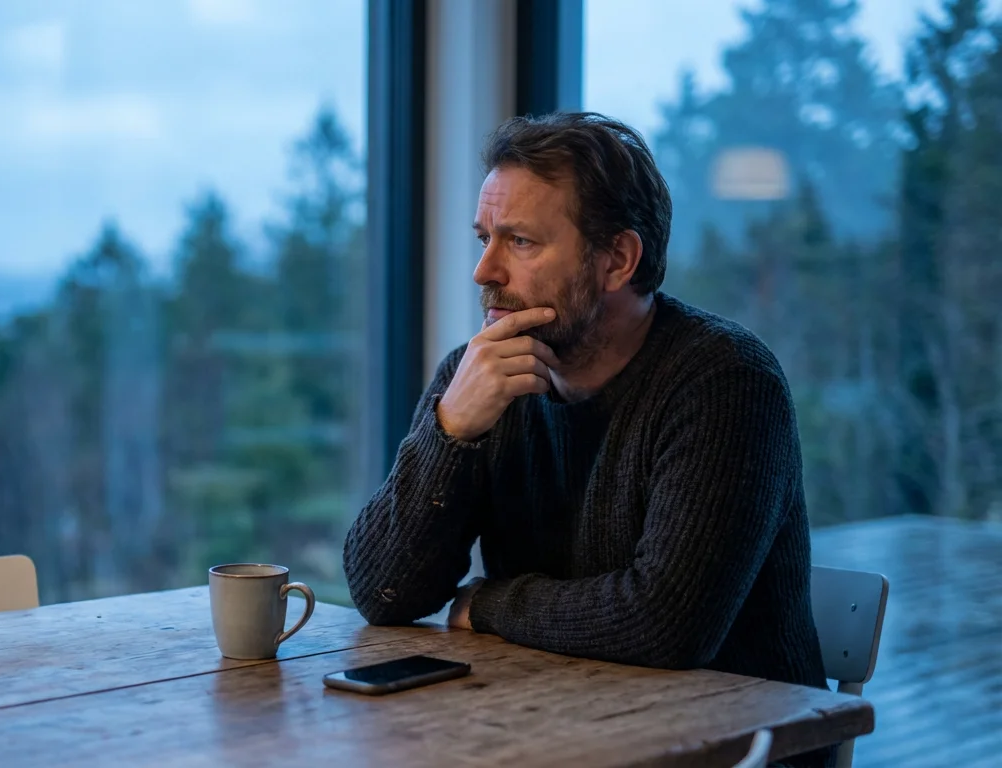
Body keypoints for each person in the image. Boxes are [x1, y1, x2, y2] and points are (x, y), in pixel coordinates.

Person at [343, 113, 828, 754]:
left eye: (519, 242)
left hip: (726, 749)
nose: (483, 271)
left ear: (618, 260)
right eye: (484, 238)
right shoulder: (478, 376)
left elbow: (664, 624)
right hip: (553, 731)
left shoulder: (726, 380)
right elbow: (383, 591)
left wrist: (487, 605)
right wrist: (450, 431)